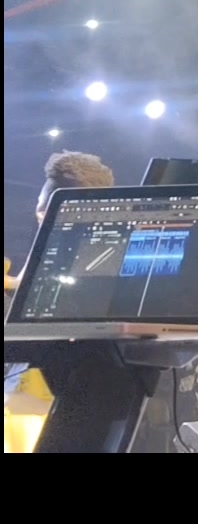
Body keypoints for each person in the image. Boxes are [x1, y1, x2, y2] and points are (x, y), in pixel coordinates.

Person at [4, 148, 115, 453]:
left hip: (49, 385)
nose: (40, 213)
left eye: (49, 206)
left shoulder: (100, 254)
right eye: (41, 205)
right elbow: (26, 286)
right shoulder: (51, 245)